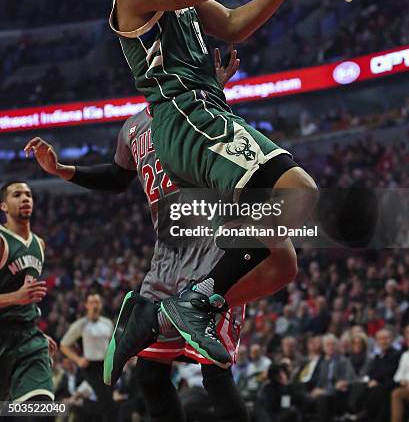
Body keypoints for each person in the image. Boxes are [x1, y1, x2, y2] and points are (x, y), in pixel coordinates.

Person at [94, 0, 327, 368]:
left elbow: (233, 24)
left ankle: (155, 313)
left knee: (279, 263)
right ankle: (195, 302)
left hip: (204, 115)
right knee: (301, 194)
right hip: (188, 119)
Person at [26, 52, 278, 422]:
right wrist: (63, 169)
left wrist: (213, 91)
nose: (156, 66)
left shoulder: (197, 103)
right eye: (149, 62)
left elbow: (225, 135)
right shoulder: (131, 127)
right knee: (150, 372)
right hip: (167, 253)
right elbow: (116, 177)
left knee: (214, 369)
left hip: (214, 245)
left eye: (163, 60)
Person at [0, 181, 56, 414]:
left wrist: (36, 331)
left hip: (27, 340)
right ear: (3, 206)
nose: (25, 198)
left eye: (28, 195)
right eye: (17, 195)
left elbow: (27, 298)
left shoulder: (39, 244)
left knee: (42, 411)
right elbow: (20, 296)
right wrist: (15, 297)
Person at [60, 292, 114, 422]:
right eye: (92, 302)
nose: (95, 305)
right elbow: (64, 345)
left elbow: (113, 344)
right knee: (103, 401)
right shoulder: (81, 324)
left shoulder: (107, 323)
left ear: (101, 305)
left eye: (97, 302)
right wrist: (78, 359)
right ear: (86, 305)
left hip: (107, 365)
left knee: (108, 401)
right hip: (91, 366)